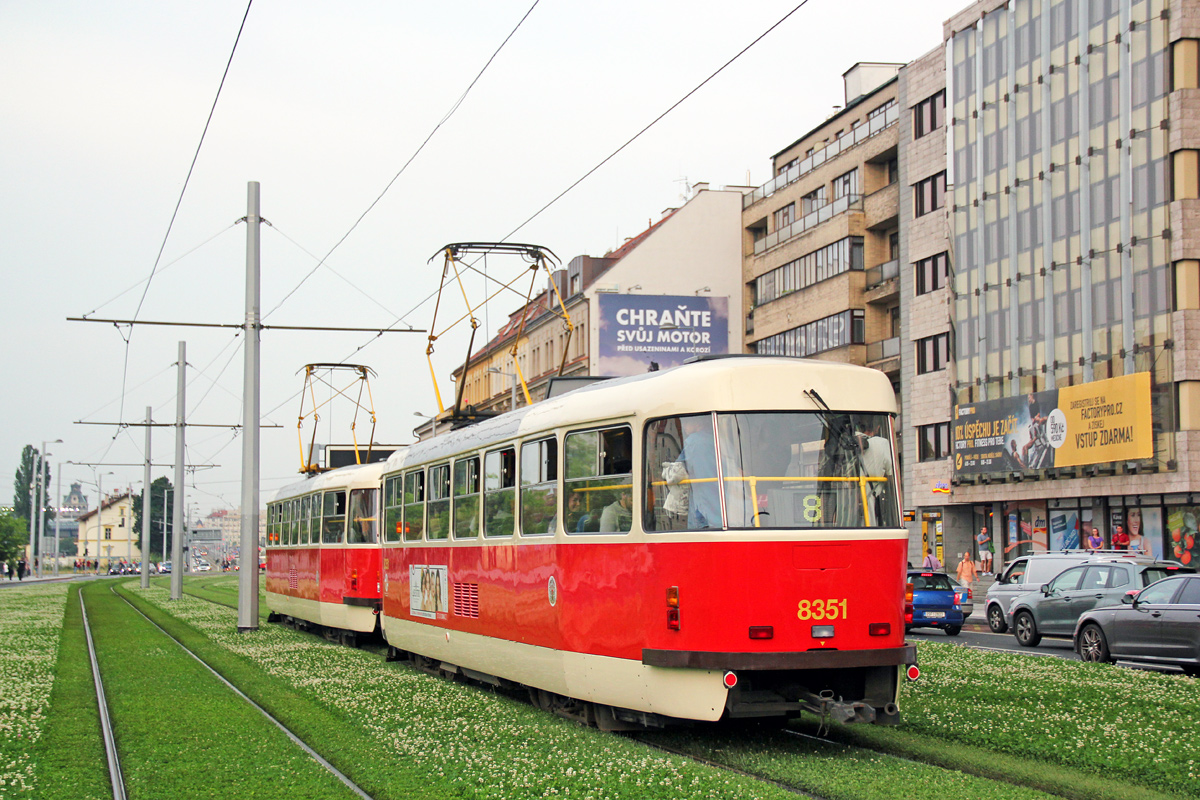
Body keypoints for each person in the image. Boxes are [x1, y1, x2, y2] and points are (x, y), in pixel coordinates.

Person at [675, 415, 721, 529]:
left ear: (698, 423)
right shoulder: (717, 440)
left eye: (687, 422)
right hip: (719, 501)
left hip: (702, 503)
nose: (684, 426)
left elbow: (676, 470)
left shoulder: (693, 441)